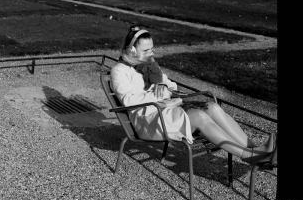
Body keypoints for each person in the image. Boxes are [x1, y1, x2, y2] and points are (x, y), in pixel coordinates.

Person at [110, 25, 275, 165]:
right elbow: (129, 101)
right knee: (199, 116)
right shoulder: (119, 71)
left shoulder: (150, 66)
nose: (151, 53)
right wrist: (160, 94)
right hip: (147, 119)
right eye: (146, 50)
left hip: (167, 111)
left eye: (152, 48)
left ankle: (254, 149)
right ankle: (249, 156)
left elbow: (171, 85)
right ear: (131, 50)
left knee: (212, 107)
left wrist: (162, 84)